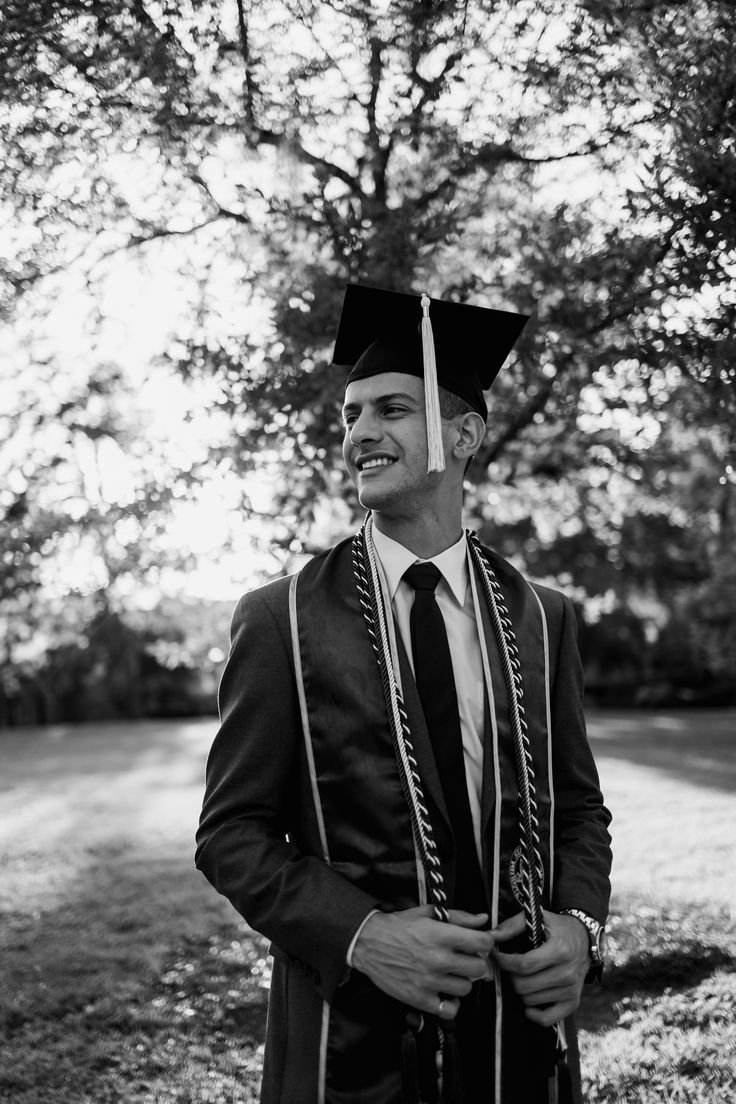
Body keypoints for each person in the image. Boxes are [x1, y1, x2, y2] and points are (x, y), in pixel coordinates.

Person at [195, 284, 612, 1104]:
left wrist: (580, 929)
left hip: (516, 1034)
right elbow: (231, 834)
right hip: (350, 1041)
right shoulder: (281, 619)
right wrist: (360, 936)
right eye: (351, 417)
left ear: (464, 435)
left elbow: (579, 812)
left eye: (390, 409)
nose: (359, 435)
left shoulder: (541, 615)